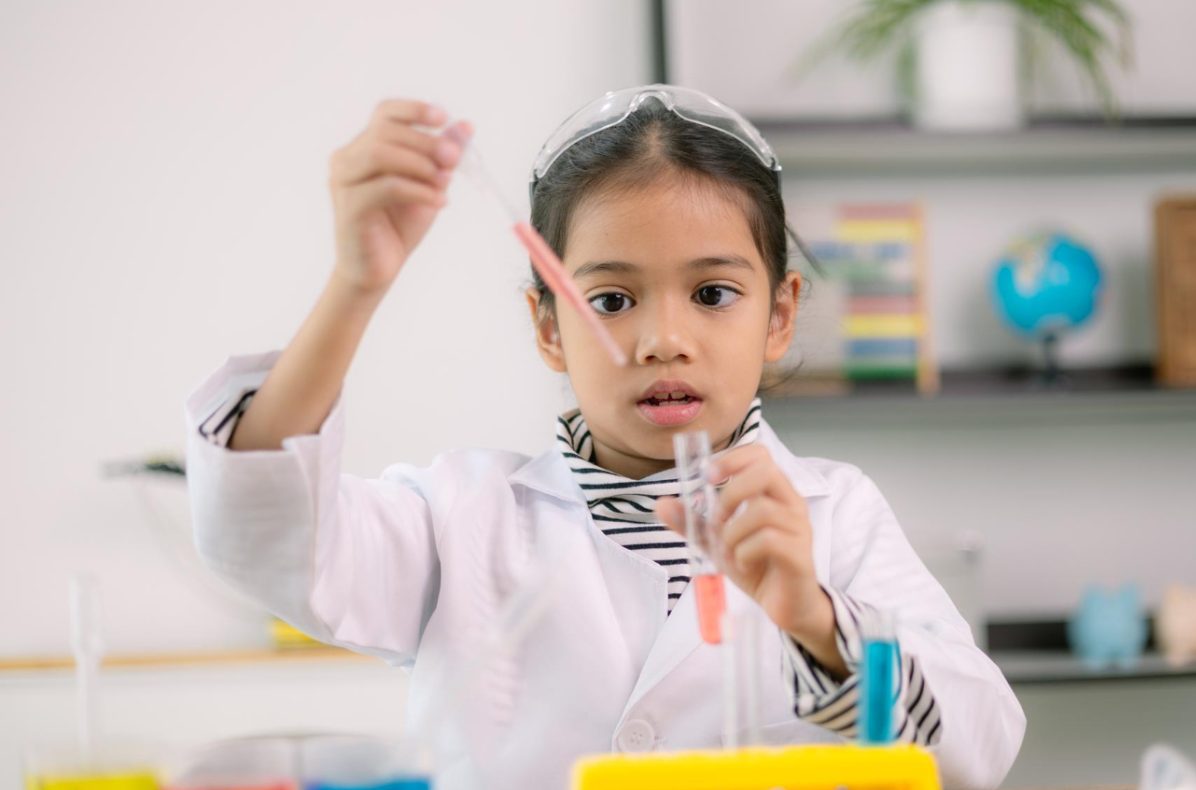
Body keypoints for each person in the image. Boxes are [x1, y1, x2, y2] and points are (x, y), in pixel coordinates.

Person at [184, 85, 1024, 789]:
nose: (663, 339)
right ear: (548, 328)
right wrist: (355, 286)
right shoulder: (462, 518)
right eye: (612, 301)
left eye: (714, 294)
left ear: (782, 313)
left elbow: (979, 746)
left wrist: (815, 618)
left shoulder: (836, 519)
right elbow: (263, 539)